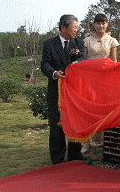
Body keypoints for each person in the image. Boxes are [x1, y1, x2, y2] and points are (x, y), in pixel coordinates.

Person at [41, 14, 86, 165]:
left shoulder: (78, 43)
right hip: (56, 90)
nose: (76, 31)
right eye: (73, 27)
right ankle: (57, 158)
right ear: (63, 28)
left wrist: (75, 65)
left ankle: (75, 156)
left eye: (77, 28)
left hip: (73, 92)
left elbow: (82, 59)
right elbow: (45, 64)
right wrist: (54, 73)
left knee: (74, 122)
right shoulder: (49, 44)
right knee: (56, 124)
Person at [81, 13, 120, 153]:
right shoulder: (86, 41)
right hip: (89, 80)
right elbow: (82, 60)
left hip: (105, 80)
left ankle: (104, 141)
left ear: (107, 24)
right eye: (98, 23)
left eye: (103, 23)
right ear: (94, 24)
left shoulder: (112, 41)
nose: (101, 26)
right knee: (88, 109)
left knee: (104, 110)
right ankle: (87, 141)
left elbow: (114, 61)